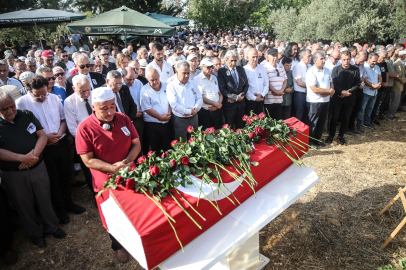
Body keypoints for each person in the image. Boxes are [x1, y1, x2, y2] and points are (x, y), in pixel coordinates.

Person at [76, 87, 141, 263]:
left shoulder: (124, 119)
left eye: (112, 106)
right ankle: (117, 245)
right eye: (104, 108)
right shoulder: (84, 128)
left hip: (129, 171)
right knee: (113, 214)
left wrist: (126, 162)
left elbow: (136, 144)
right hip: (106, 179)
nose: (110, 111)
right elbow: (88, 160)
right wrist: (113, 169)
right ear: (93, 107)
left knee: (135, 207)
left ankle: (137, 236)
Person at [0, 87, 66, 247]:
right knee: (23, 204)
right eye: (4, 109)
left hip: (37, 166)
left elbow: (42, 135)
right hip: (14, 173)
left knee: (44, 196)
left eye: (12, 106)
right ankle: (35, 233)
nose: (10, 111)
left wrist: (34, 155)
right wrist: (22, 158)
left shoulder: (26, 115)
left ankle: (52, 226)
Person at [16, 75, 85, 224]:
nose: (42, 98)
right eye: (38, 96)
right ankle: (59, 210)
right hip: (42, 149)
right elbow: (22, 131)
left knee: (65, 175)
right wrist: (44, 138)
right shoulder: (21, 104)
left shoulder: (54, 98)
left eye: (44, 94)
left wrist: (59, 134)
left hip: (60, 144)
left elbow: (63, 119)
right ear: (28, 90)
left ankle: (69, 203)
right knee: (52, 180)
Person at [63, 74, 94, 194]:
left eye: (88, 90)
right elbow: (72, 127)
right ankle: (95, 193)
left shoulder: (95, 95)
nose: (86, 94)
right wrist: (88, 141)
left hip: (101, 136)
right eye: (82, 91)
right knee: (88, 168)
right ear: (74, 88)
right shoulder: (69, 102)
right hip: (84, 141)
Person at [327, 51, 361, 145]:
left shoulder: (355, 69)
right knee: (334, 118)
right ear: (341, 59)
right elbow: (333, 83)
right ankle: (331, 135)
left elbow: (358, 83)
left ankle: (341, 136)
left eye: (348, 59)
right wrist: (342, 92)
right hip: (337, 97)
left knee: (346, 118)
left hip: (349, 98)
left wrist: (348, 92)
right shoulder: (336, 69)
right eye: (344, 59)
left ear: (351, 59)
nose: (346, 61)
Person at [167, 61, 203, 142]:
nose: (186, 76)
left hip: (194, 118)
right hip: (180, 120)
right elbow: (174, 105)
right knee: (181, 144)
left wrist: (195, 109)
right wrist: (189, 111)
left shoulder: (193, 84)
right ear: (176, 71)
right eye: (184, 73)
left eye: (188, 73)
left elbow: (199, 98)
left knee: (195, 142)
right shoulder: (171, 86)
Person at [305, 51, 335, 148]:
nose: (323, 60)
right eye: (321, 59)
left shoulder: (326, 70)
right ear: (315, 61)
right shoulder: (311, 72)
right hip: (314, 101)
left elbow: (331, 82)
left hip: (325, 100)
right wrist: (328, 91)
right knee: (313, 121)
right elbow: (314, 89)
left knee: (322, 121)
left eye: (324, 58)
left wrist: (331, 90)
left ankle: (317, 139)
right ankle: (310, 141)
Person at [141, 69, 172, 152]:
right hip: (152, 124)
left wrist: (169, 113)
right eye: (152, 80)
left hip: (167, 123)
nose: (155, 82)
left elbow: (171, 101)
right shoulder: (144, 89)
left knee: (168, 148)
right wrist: (160, 117)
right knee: (156, 148)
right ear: (147, 79)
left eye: (156, 79)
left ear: (159, 77)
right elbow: (147, 108)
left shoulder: (167, 86)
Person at [217, 50, 248, 129]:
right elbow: (222, 88)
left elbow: (246, 85)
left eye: (235, 60)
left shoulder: (240, 69)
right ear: (226, 60)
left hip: (241, 105)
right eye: (232, 60)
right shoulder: (222, 71)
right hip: (229, 106)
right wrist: (234, 97)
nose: (234, 63)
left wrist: (241, 96)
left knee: (240, 128)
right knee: (229, 129)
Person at [194, 58, 223, 130]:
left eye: (212, 67)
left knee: (216, 131)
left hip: (216, 110)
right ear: (201, 67)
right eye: (208, 67)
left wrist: (218, 104)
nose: (210, 69)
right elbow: (201, 97)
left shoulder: (214, 78)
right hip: (205, 111)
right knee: (206, 134)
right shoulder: (197, 79)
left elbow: (220, 93)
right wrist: (216, 104)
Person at [356, 53, 381, 132]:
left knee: (370, 108)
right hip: (366, 91)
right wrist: (374, 86)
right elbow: (365, 79)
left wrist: (379, 85)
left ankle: (367, 122)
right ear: (368, 59)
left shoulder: (377, 67)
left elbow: (380, 77)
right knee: (361, 108)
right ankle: (359, 124)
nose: (375, 63)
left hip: (374, 92)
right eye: (373, 61)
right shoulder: (364, 66)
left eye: (376, 61)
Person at [262, 48, 287, 120]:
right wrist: (276, 92)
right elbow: (267, 82)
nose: (275, 57)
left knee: (278, 119)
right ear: (268, 56)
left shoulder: (281, 66)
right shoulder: (264, 67)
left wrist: (281, 90)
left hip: (279, 99)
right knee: (269, 120)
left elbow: (285, 79)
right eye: (273, 55)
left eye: (276, 55)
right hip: (269, 99)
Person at [244, 48, 269, 116]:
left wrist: (262, 95)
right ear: (247, 57)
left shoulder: (262, 68)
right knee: (250, 122)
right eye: (253, 57)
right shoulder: (244, 70)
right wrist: (254, 98)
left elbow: (266, 84)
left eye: (257, 56)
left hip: (261, 99)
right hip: (250, 101)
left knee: (261, 123)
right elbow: (245, 87)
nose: (255, 59)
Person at [347, 51, 367, 134]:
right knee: (349, 109)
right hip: (351, 89)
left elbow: (363, 76)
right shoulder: (349, 63)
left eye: (363, 61)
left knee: (356, 108)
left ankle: (351, 126)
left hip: (359, 90)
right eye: (361, 61)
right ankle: (346, 127)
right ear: (356, 57)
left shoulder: (362, 64)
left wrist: (362, 82)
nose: (361, 62)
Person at [292, 49, 312, 122]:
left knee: (307, 114)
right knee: (299, 114)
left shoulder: (310, 66)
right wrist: (312, 86)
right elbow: (299, 82)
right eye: (308, 56)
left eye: (311, 56)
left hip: (309, 93)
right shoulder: (298, 67)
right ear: (302, 57)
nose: (310, 58)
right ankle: (297, 132)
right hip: (300, 94)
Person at [371, 50, 389, 125]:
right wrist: (380, 84)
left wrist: (386, 82)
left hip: (382, 87)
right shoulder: (375, 64)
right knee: (372, 105)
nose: (385, 59)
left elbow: (386, 73)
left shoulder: (384, 64)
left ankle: (375, 117)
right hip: (375, 88)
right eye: (384, 57)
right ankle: (370, 118)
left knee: (378, 103)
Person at [387, 50, 406, 120]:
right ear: (402, 56)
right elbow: (398, 76)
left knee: (397, 101)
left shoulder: (400, 63)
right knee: (394, 101)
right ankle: (390, 115)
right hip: (396, 86)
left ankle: (392, 114)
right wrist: (404, 80)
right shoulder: (397, 64)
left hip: (399, 85)